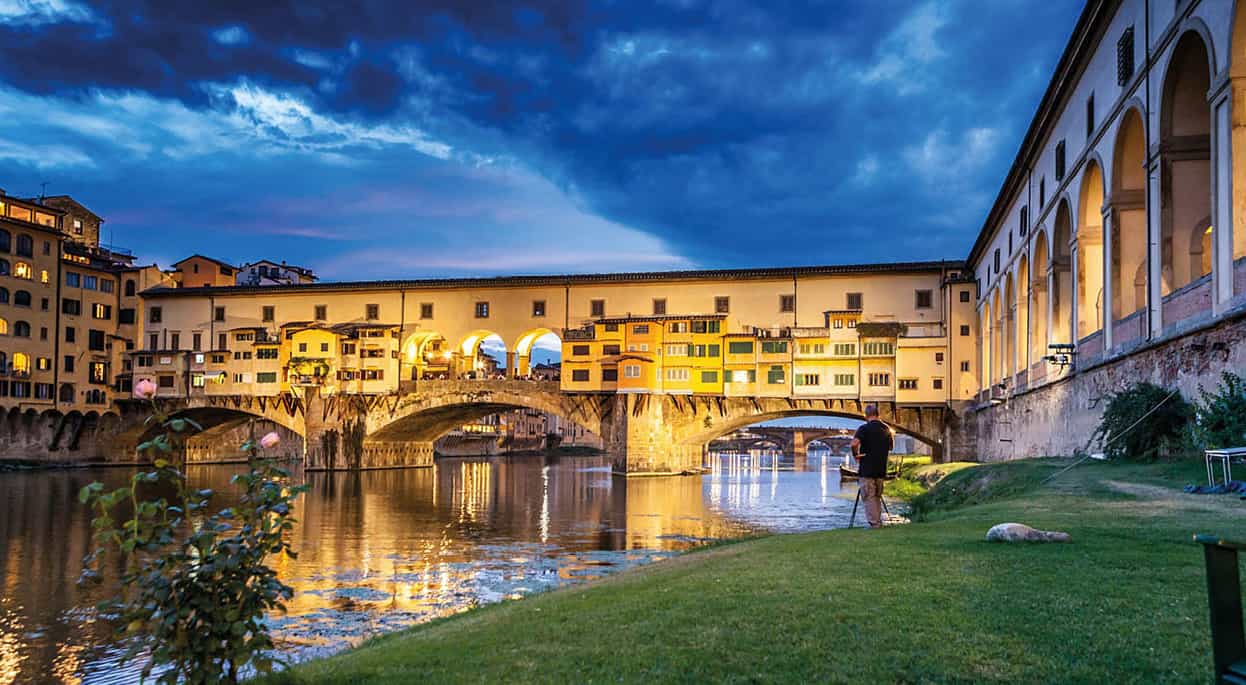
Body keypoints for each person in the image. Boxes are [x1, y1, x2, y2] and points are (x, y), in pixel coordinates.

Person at [851, 404, 893, 529]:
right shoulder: (886, 429)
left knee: (869, 498)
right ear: (878, 414)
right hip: (881, 469)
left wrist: (856, 455)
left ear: (866, 415)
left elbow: (854, 443)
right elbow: (891, 447)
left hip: (867, 469)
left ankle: (875, 524)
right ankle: (878, 522)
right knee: (877, 497)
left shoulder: (864, 428)